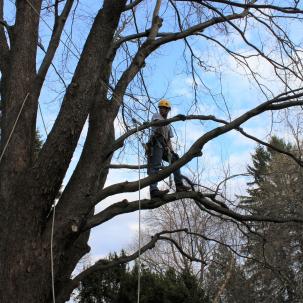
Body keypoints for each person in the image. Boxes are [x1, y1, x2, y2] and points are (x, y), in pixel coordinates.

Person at [147, 99, 190, 198]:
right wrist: (175, 118)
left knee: (175, 160)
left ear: (168, 110)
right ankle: (153, 190)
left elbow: (168, 140)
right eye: (161, 108)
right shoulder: (156, 116)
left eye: (164, 109)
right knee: (156, 166)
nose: (162, 110)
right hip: (156, 144)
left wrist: (171, 151)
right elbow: (159, 124)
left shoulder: (168, 125)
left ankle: (179, 185)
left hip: (165, 147)